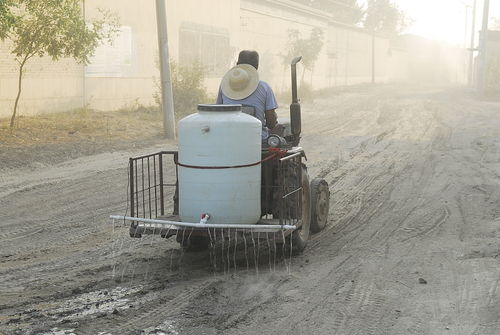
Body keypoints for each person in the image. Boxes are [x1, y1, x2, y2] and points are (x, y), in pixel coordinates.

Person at [216, 50, 282, 140]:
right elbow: (271, 123)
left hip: (228, 138)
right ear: (257, 67)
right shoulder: (264, 87)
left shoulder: (224, 86)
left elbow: (218, 113)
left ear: (237, 64)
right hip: (257, 140)